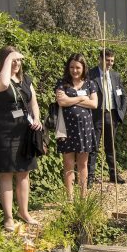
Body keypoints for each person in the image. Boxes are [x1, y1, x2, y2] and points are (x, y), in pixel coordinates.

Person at [0, 47, 42, 231]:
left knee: (24, 172)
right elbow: (3, 85)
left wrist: (37, 119)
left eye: (19, 60)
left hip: (24, 132)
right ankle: (8, 217)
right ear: (3, 61)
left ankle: (24, 212)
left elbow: (33, 102)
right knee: (6, 173)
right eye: (12, 60)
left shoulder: (26, 80)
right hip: (5, 132)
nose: (16, 63)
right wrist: (9, 57)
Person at [55, 53, 98, 198]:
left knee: (83, 164)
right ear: (68, 68)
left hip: (85, 129)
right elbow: (61, 102)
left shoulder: (90, 84)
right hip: (67, 129)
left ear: (83, 68)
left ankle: (83, 196)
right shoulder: (62, 83)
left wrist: (70, 98)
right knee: (68, 164)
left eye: (78, 67)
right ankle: (70, 198)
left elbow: (94, 104)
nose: (74, 70)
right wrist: (81, 98)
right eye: (72, 67)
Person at [88, 47, 127, 184]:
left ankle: (113, 175)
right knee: (93, 147)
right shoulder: (91, 74)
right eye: (107, 60)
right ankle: (90, 177)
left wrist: (120, 113)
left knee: (111, 147)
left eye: (112, 61)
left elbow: (123, 95)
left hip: (112, 115)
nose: (110, 63)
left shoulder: (115, 76)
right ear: (100, 59)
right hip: (96, 115)